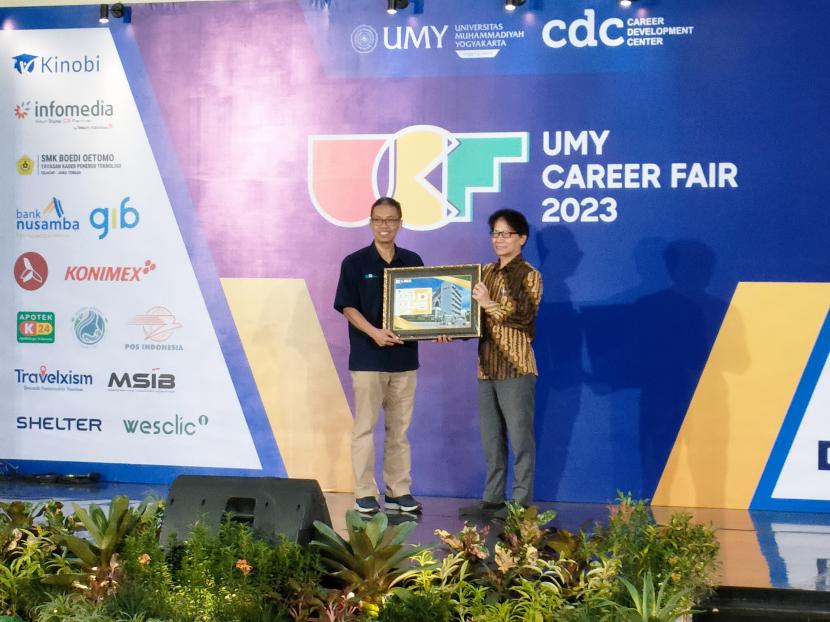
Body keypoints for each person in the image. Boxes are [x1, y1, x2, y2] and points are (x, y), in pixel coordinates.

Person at [333, 196, 424, 514]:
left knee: (399, 430)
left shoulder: (412, 260)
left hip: (404, 360)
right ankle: (364, 492)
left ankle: (399, 490)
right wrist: (374, 332)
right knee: (365, 428)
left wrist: (437, 329)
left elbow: (425, 307)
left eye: (391, 220)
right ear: (371, 223)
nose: (385, 225)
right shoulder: (355, 262)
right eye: (379, 219)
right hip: (368, 359)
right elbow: (347, 307)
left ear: (400, 223)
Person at [463, 208, 543, 516]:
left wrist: (487, 303)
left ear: (522, 238)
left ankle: (521, 502)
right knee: (491, 439)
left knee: (521, 439)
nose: (499, 239)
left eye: (506, 234)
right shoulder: (483, 272)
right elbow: (470, 317)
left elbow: (524, 317)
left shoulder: (530, 275)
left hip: (516, 366)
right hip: (486, 367)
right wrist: (450, 330)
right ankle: (492, 498)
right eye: (495, 234)